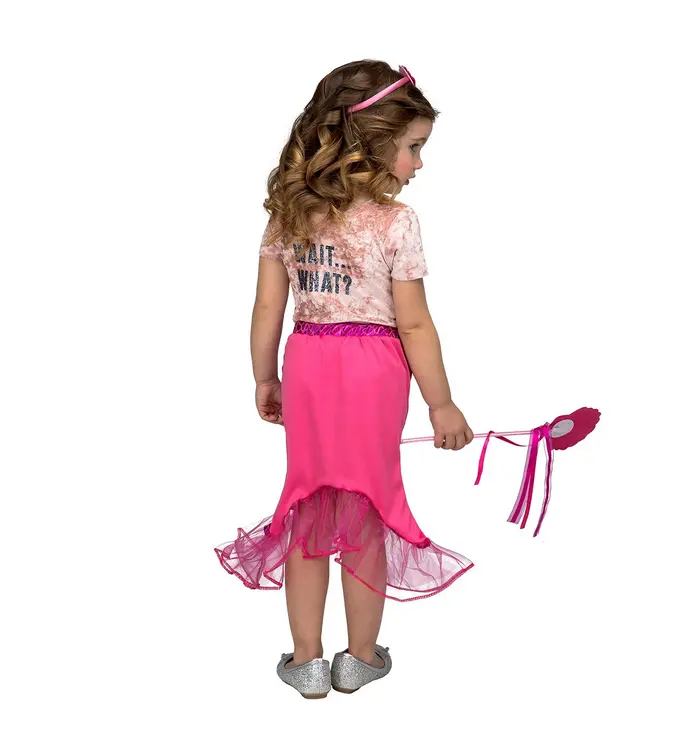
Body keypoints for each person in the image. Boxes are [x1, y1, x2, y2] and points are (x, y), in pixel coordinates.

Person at [214, 60, 475, 699]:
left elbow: (267, 307)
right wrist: (441, 404)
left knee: (310, 503)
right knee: (364, 506)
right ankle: (359, 658)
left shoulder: (289, 216)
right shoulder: (396, 221)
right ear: (372, 143)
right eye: (413, 147)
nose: (419, 163)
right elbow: (414, 323)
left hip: (307, 363)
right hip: (373, 369)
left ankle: (306, 663)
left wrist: (264, 378)